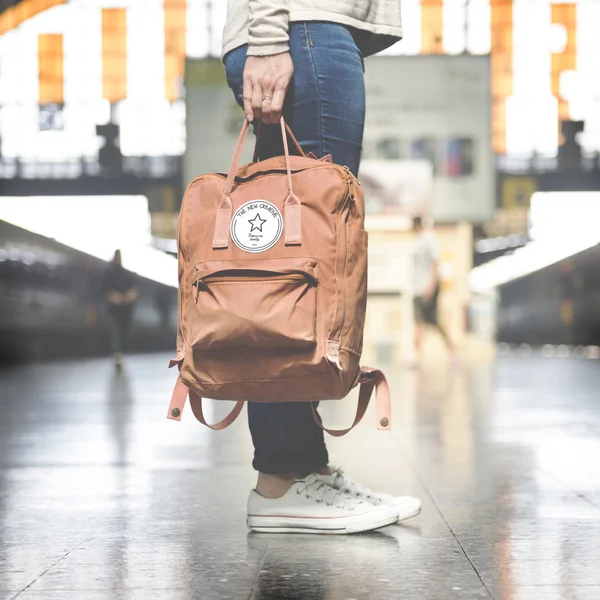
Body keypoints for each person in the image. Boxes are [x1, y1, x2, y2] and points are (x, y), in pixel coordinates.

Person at [222, 0, 422, 534]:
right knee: (303, 272)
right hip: (299, 33)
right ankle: (284, 478)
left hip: (308, 35)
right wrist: (267, 38)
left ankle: (300, 468)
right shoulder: (289, 38)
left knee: (305, 266)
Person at [412, 216, 455, 359]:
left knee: (434, 321)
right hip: (417, 287)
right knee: (418, 321)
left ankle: (452, 349)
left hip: (427, 286)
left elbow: (435, 263)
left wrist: (430, 286)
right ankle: (417, 356)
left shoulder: (429, 238)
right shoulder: (419, 240)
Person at [103, 250, 138, 368]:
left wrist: (130, 295)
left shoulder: (126, 274)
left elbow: (134, 288)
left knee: (123, 331)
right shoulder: (108, 273)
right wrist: (112, 296)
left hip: (125, 309)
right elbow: (104, 290)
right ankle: (117, 353)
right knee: (116, 330)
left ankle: (120, 352)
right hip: (113, 309)